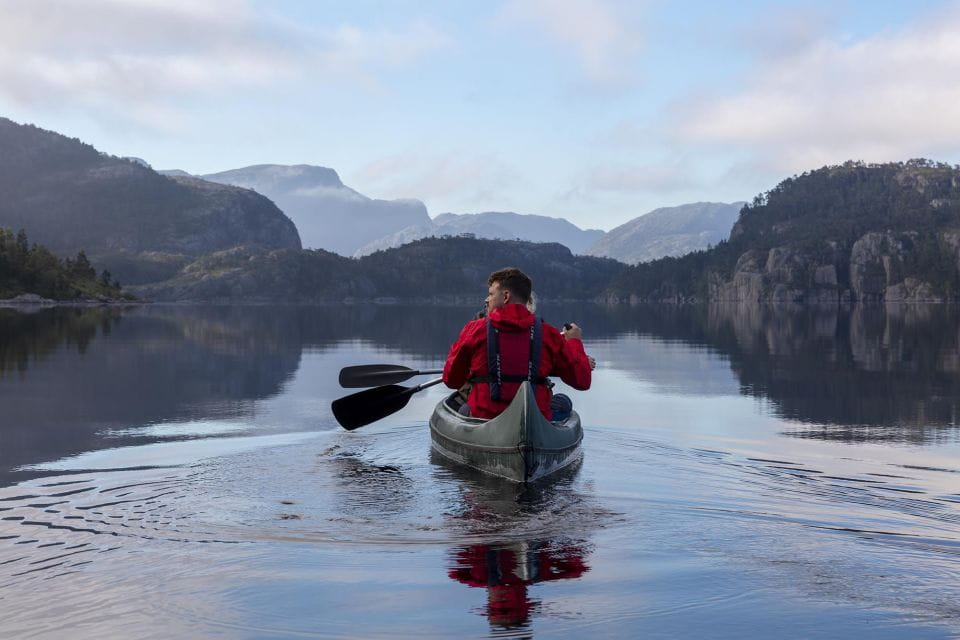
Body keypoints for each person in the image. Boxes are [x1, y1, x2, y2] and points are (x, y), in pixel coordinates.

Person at [442, 267, 593, 420]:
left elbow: (451, 380)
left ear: (506, 296)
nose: (487, 299)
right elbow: (582, 380)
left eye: (491, 294)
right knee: (563, 403)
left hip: (485, 417)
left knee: (460, 408)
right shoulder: (550, 334)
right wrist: (574, 341)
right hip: (534, 418)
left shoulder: (474, 330)